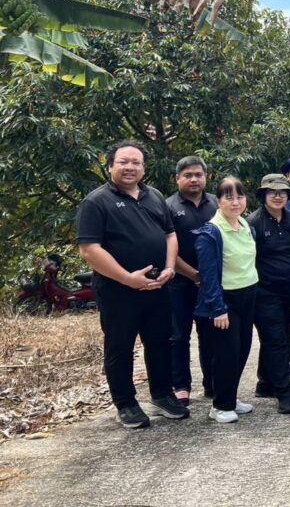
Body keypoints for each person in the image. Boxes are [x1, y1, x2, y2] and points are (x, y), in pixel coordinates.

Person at [76, 140, 189, 429]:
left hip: (157, 286)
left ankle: (162, 394)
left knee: (160, 341)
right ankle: (125, 403)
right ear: (110, 166)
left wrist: (169, 268)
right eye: (123, 162)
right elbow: (90, 250)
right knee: (120, 346)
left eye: (136, 162)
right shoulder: (96, 202)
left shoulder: (154, 196)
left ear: (143, 168)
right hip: (117, 290)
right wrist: (128, 278)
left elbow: (169, 234)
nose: (130, 167)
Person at [193, 177, 259, 423]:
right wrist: (218, 308)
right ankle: (220, 405)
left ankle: (230, 396)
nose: (235, 202)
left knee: (242, 350)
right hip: (225, 300)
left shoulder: (245, 225)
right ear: (218, 201)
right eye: (228, 197)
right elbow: (208, 275)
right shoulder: (210, 232)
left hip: (248, 295)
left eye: (240, 196)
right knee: (226, 353)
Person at [166, 155, 218, 405]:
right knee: (178, 336)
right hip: (179, 283)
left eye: (198, 175)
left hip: (211, 284)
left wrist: (208, 278)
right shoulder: (167, 207)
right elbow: (166, 248)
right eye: (188, 175)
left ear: (206, 177)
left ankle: (212, 383)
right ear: (178, 178)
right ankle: (181, 386)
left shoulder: (216, 204)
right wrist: (194, 275)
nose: (194, 179)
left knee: (210, 335)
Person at [249, 174, 290, 414]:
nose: (278, 196)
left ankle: (265, 382)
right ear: (263, 195)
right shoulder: (254, 222)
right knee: (276, 338)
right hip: (264, 291)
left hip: (289, 291)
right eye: (272, 192)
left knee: (282, 335)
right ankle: (283, 391)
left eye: (282, 192)